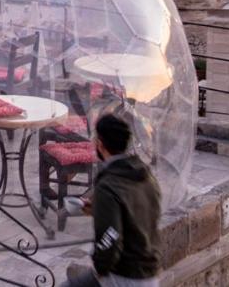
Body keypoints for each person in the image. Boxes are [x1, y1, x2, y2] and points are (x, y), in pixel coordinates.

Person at [62, 114, 161, 287]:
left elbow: (111, 238)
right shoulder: (144, 175)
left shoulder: (108, 186)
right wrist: (98, 210)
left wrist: (100, 269)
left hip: (125, 276)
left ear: (100, 144)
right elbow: (140, 213)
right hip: (149, 273)